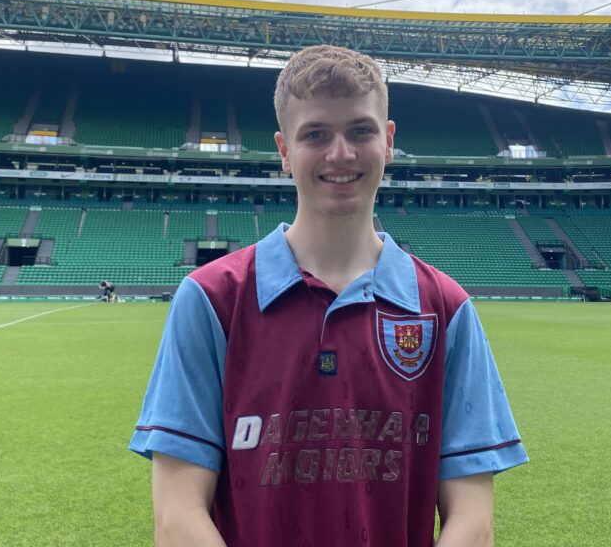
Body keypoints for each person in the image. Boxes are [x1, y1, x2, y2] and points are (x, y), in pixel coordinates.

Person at [129, 45, 527, 546]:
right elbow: (177, 515)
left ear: (388, 140)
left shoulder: (446, 309)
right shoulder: (212, 299)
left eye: (360, 130)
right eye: (316, 134)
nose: (341, 153)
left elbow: (473, 521)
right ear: (284, 151)